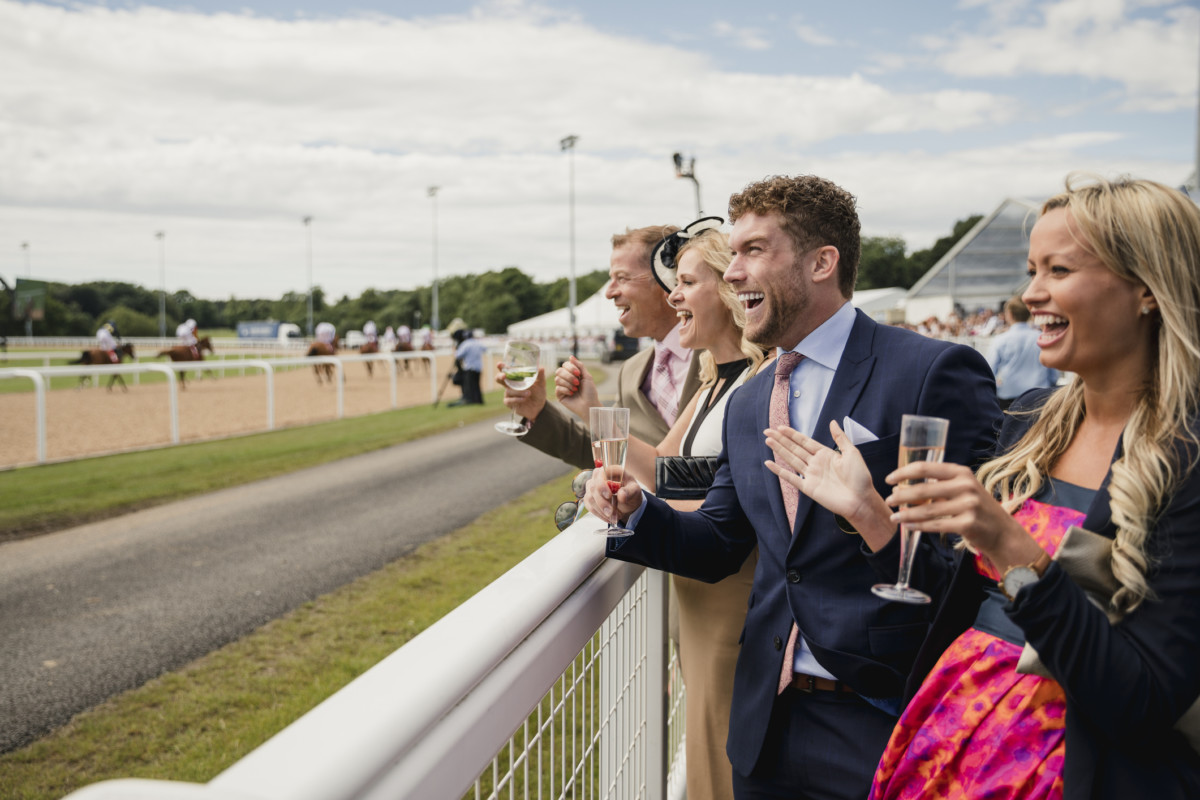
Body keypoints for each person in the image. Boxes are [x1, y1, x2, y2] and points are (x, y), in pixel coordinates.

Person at [769, 175, 1200, 799]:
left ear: (1146, 290)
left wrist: (1012, 547)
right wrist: (871, 515)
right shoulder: (1027, 421)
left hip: (1065, 770)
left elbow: (1142, 701)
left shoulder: (1184, 461)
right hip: (949, 736)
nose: (1031, 294)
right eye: (1032, 270)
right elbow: (952, 600)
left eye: (1059, 270)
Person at [584, 174, 1001, 800]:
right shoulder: (751, 401)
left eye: (754, 250)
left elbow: (976, 570)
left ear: (821, 263)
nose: (733, 272)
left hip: (884, 719)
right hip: (766, 725)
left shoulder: (931, 371)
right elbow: (719, 541)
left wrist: (872, 518)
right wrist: (636, 511)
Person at [554, 218, 767, 800]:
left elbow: (712, 493)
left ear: (727, 291)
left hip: (732, 598)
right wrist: (591, 414)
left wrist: (633, 487)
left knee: (720, 760)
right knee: (704, 754)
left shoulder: (760, 380)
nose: (673, 295)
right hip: (696, 597)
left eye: (688, 282)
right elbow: (660, 470)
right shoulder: (711, 383)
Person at [501, 224, 702, 471]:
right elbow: (610, 455)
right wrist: (538, 412)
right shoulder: (631, 371)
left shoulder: (726, 356)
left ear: (666, 280)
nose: (609, 293)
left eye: (621, 278)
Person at [988, 295, 1059, 409]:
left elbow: (990, 371)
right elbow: (1053, 372)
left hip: (1009, 396)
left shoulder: (1000, 340)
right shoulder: (1042, 338)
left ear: (1009, 314)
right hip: (1039, 396)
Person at [450, 329, 487, 406]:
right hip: (478, 367)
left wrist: (454, 349)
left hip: (470, 367)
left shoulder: (466, 344)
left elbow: (458, 355)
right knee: (477, 385)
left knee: (470, 385)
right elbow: (485, 349)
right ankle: (479, 400)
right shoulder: (477, 343)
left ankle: (470, 400)